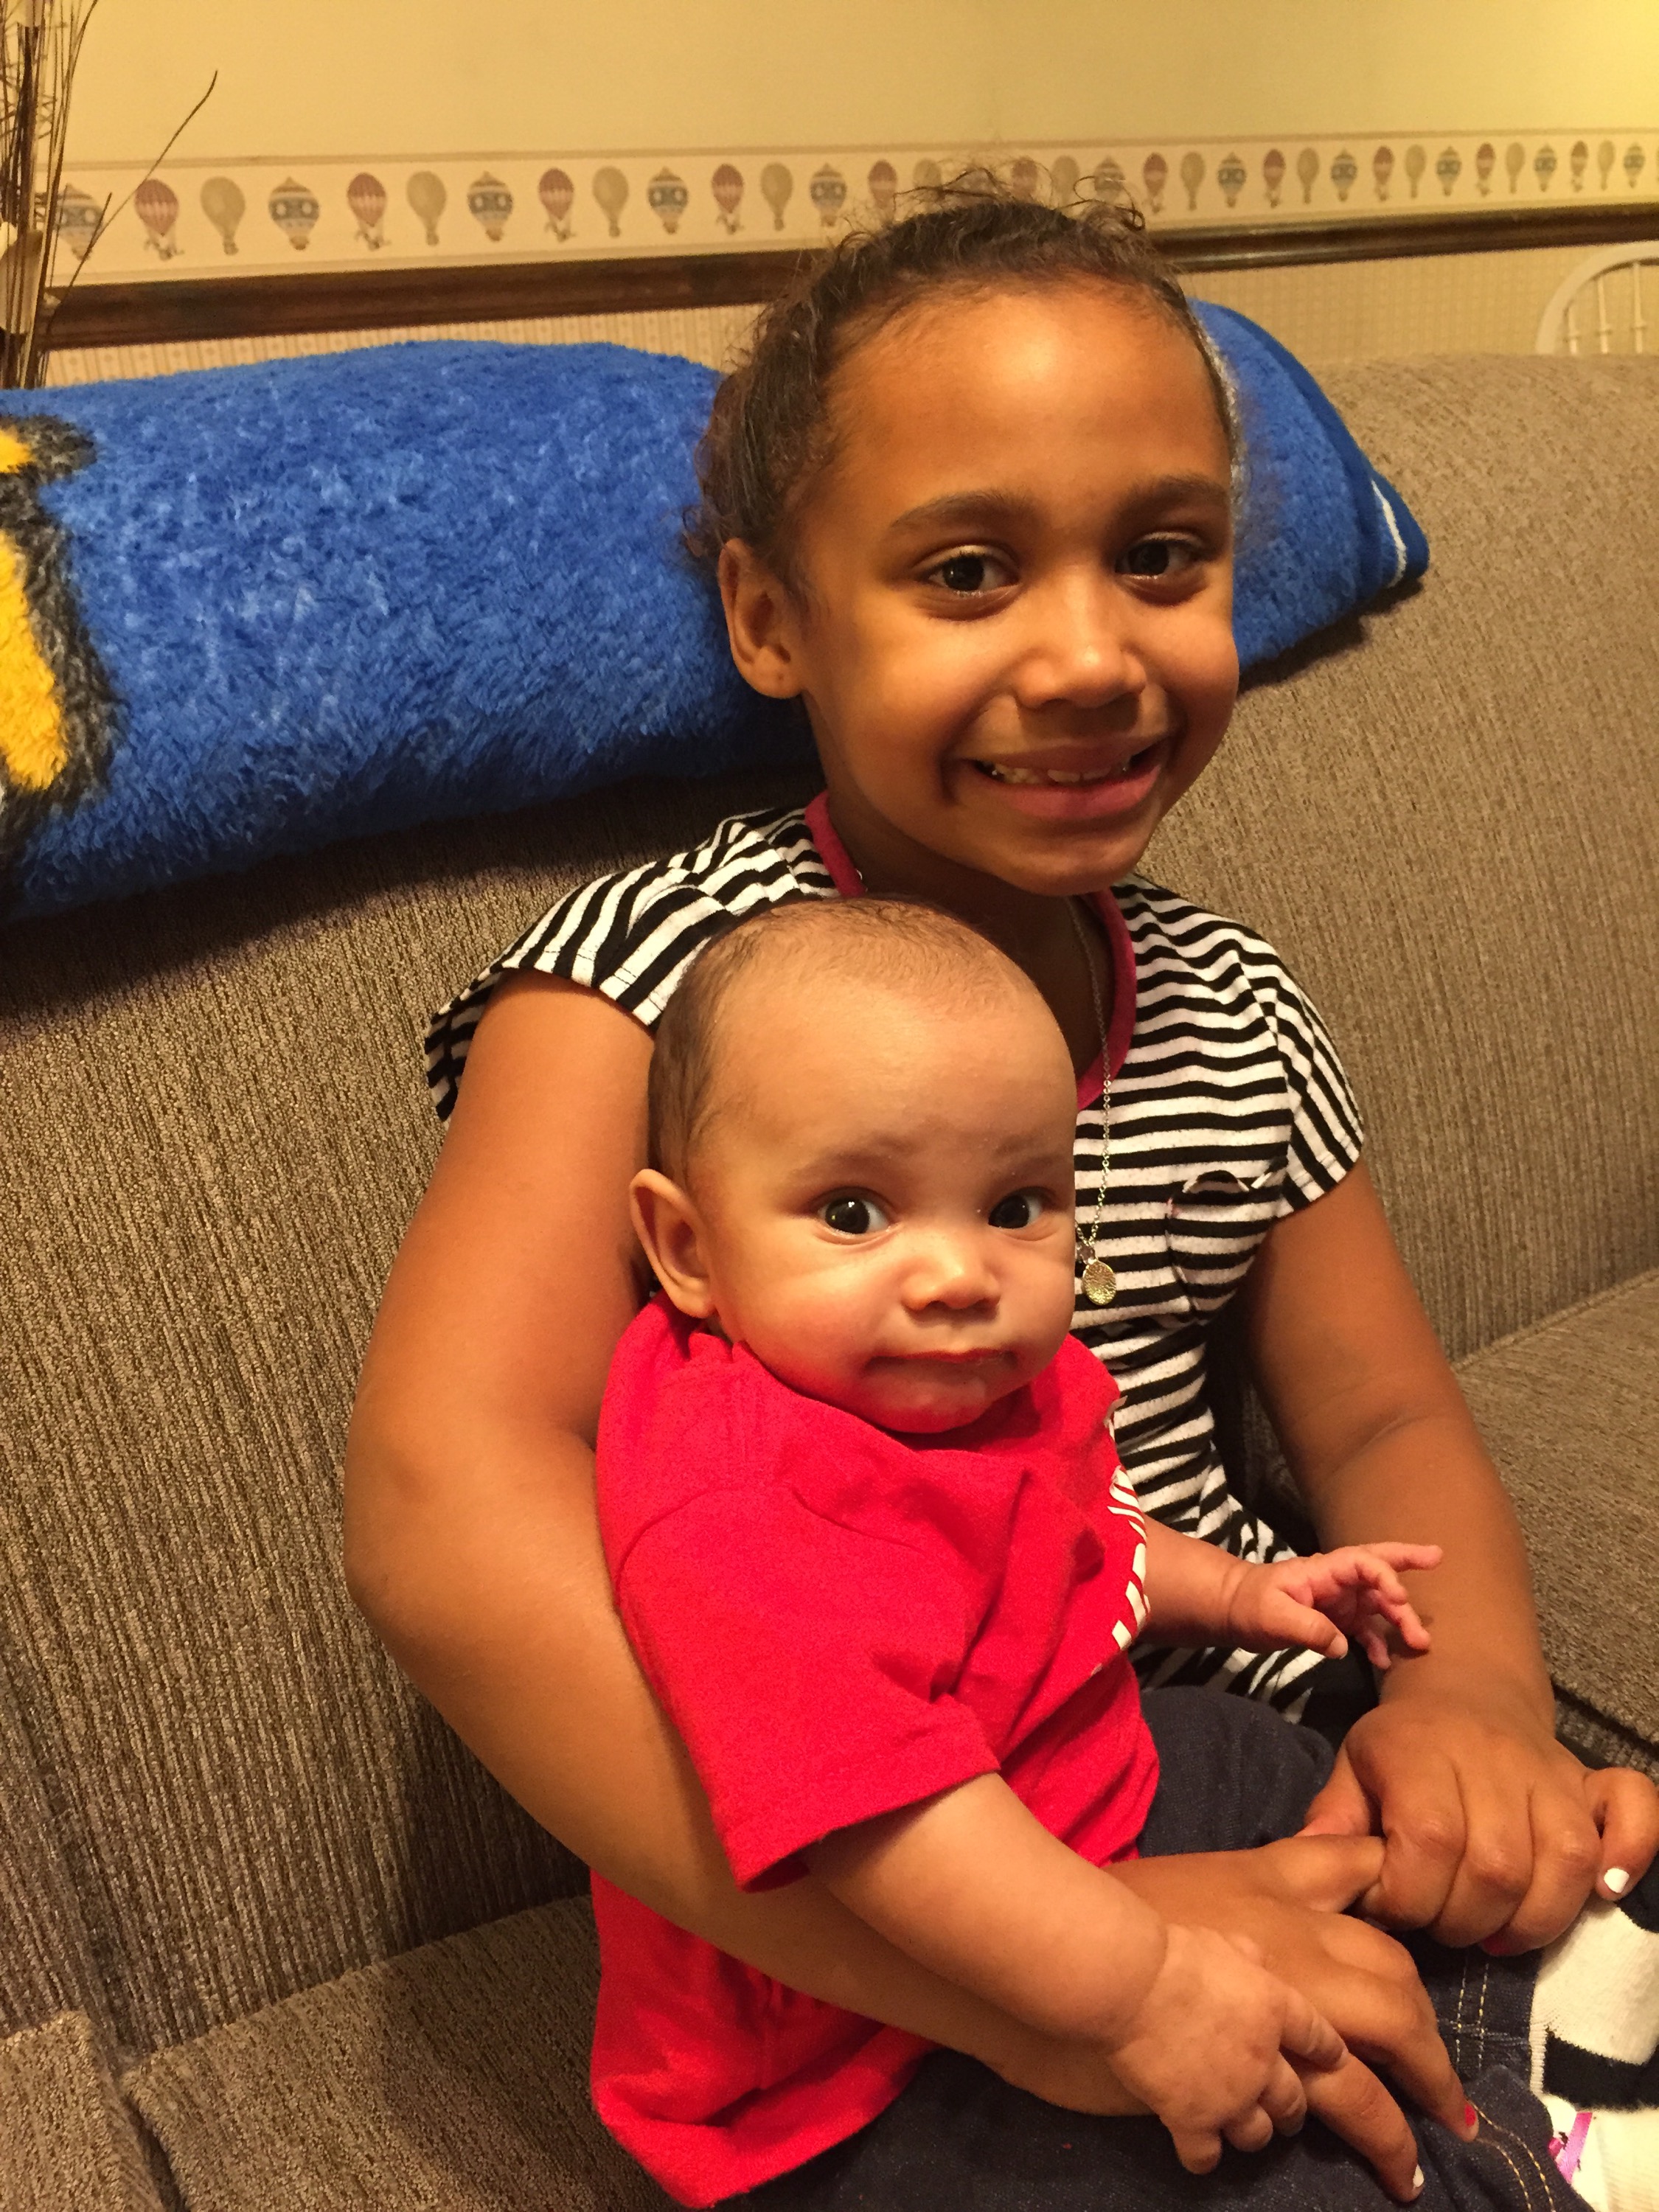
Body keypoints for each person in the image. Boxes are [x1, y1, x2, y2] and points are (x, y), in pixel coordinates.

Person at [345, 178, 1659, 2209]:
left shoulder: (1232, 1000)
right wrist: (1054, 1971)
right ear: (771, 619)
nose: (1090, 655)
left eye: (1161, 557)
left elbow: (1387, 1415)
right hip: (903, 1848)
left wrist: (1473, 1695)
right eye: (968, 571)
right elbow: (447, 1514)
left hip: (1230, 1743)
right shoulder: (647, 982)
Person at [591, 894, 1453, 2206]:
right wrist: (1144, 1994)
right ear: (687, 1248)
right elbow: (877, 1822)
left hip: (1092, 1793)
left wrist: (1238, 1591)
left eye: (1013, 1205)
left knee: (1332, 1794)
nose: (959, 1275)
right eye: (852, 1212)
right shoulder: (737, 1499)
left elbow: (1071, 1544)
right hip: (858, 2050)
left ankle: (1546, 2030)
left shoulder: (977, 1380)